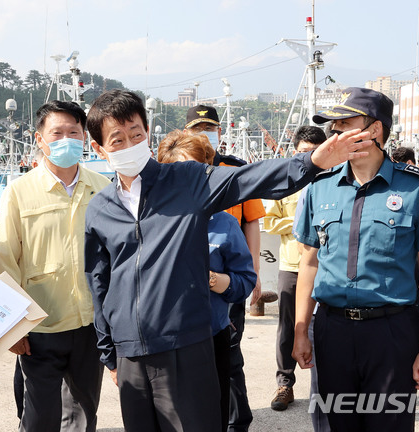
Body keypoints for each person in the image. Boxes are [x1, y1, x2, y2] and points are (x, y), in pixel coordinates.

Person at [84, 89, 371, 432]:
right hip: (130, 354)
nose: (130, 145)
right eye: (117, 140)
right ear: (99, 148)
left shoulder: (188, 180)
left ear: (148, 133)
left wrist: (312, 162)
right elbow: (99, 282)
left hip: (186, 345)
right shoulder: (99, 209)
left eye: (137, 134)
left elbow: (248, 179)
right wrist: (109, 353)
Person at [293, 87, 419, 431]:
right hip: (332, 330)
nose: (334, 133)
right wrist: (301, 330)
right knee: (333, 425)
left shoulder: (418, 189)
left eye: (345, 123)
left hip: (392, 334)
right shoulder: (318, 188)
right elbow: (309, 263)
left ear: (375, 129)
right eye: (332, 126)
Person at [0, 100, 110, 432]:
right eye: (56, 133)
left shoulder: (102, 189)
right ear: (39, 139)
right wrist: (13, 328)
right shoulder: (19, 192)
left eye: (74, 132)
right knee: (39, 417)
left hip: (90, 324)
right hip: (40, 326)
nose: (66, 140)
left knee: (84, 413)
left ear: (85, 138)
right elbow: (5, 263)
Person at [157, 130, 257, 432]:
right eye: (174, 171)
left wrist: (216, 280)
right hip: (161, 341)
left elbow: (245, 279)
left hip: (210, 338)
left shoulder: (224, 222)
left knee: (212, 418)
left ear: (207, 171)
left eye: (193, 170)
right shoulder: (150, 220)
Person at [184, 104, 265, 431]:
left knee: (230, 353)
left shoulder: (235, 171)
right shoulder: (175, 170)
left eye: (210, 127)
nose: (205, 133)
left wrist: (254, 271)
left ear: (219, 130)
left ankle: (237, 421)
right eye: (197, 128)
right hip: (187, 284)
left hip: (229, 277)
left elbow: (252, 222)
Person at [263, 125, 326, 413]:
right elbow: (270, 222)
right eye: (303, 153)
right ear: (295, 153)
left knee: (327, 327)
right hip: (292, 265)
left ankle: (324, 386)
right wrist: (301, 225)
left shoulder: (335, 183)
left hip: (328, 267)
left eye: (315, 152)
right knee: (290, 328)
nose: (310, 158)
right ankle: (284, 384)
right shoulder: (287, 184)